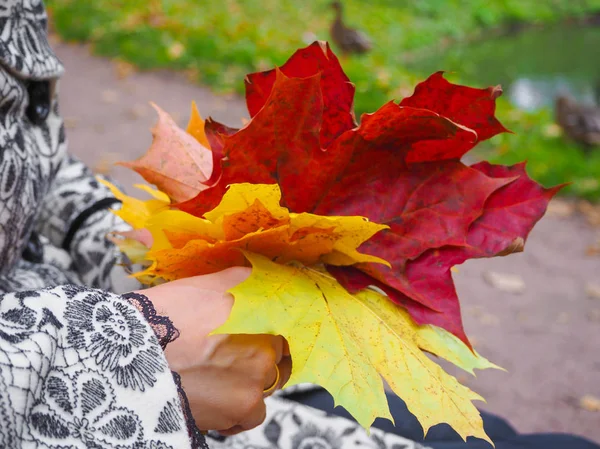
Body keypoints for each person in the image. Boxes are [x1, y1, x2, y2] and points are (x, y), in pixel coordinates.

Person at [1, 1, 599, 448]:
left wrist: (120, 241)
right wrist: (127, 345)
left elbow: (37, 167)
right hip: (83, 396)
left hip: (132, 325)